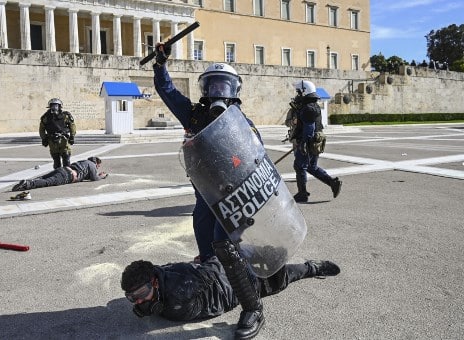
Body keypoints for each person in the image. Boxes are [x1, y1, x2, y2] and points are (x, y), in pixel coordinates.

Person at [153, 44, 267, 338]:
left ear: (234, 88)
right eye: (212, 84)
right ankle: (216, 282)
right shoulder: (192, 115)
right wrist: (160, 64)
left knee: (225, 247)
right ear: (204, 88)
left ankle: (252, 307)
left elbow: (257, 158)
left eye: (223, 84)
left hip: (232, 199)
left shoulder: (243, 123)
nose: (218, 89)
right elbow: (167, 91)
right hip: (204, 197)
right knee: (206, 247)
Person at [120, 255, 340, 323]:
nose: (138, 301)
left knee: (279, 279)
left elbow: (214, 269)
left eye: (140, 294)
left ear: (155, 282)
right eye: (132, 297)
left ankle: (312, 267)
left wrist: (220, 257)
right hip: (208, 279)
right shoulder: (156, 274)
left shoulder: (181, 289)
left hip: (234, 287)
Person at [292, 80, 342, 203]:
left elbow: (309, 128)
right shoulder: (312, 106)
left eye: (299, 92)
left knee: (300, 166)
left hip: (309, 142)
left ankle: (302, 194)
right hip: (314, 142)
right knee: (311, 167)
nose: (298, 94)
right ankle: (333, 183)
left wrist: (303, 144)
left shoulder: (308, 108)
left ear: (305, 91)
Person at [11, 156, 107, 191]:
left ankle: (29, 181)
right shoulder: (92, 165)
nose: (97, 168)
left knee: (44, 177)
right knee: (47, 182)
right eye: (98, 166)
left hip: (62, 169)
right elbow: (94, 178)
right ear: (97, 163)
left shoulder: (84, 161)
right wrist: (101, 176)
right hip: (68, 176)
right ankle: (27, 184)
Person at [39, 98, 77, 169]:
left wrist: (72, 136)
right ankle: (58, 175)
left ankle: (67, 175)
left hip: (63, 139)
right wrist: (44, 138)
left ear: (60, 106)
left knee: (66, 158)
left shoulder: (65, 116)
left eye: (56, 106)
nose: (54, 107)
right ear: (50, 106)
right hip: (52, 141)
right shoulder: (46, 117)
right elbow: (41, 129)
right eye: (53, 106)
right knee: (56, 161)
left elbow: (72, 126)